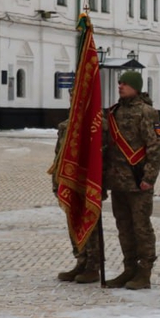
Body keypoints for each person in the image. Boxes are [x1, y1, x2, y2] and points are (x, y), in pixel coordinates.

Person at [103, 71, 160, 290]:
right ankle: (129, 269)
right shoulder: (114, 112)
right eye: (119, 83)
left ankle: (144, 272)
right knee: (124, 227)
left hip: (138, 181)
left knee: (141, 227)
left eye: (126, 84)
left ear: (136, 87)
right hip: (118, 182)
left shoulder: (147, 113)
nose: (120, 86)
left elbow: (156, 147)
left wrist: (149, 177)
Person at [51, 118, 102, 285]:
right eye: (72, 94)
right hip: (69, 180)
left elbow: (101, 153)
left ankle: (93, 266)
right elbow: (59, 155)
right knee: (73, 219)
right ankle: (81, 261)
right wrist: (57, 181)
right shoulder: (66, 125)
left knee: (90, 221)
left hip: (88, 181)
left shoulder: (96, 122)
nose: (73, 98)